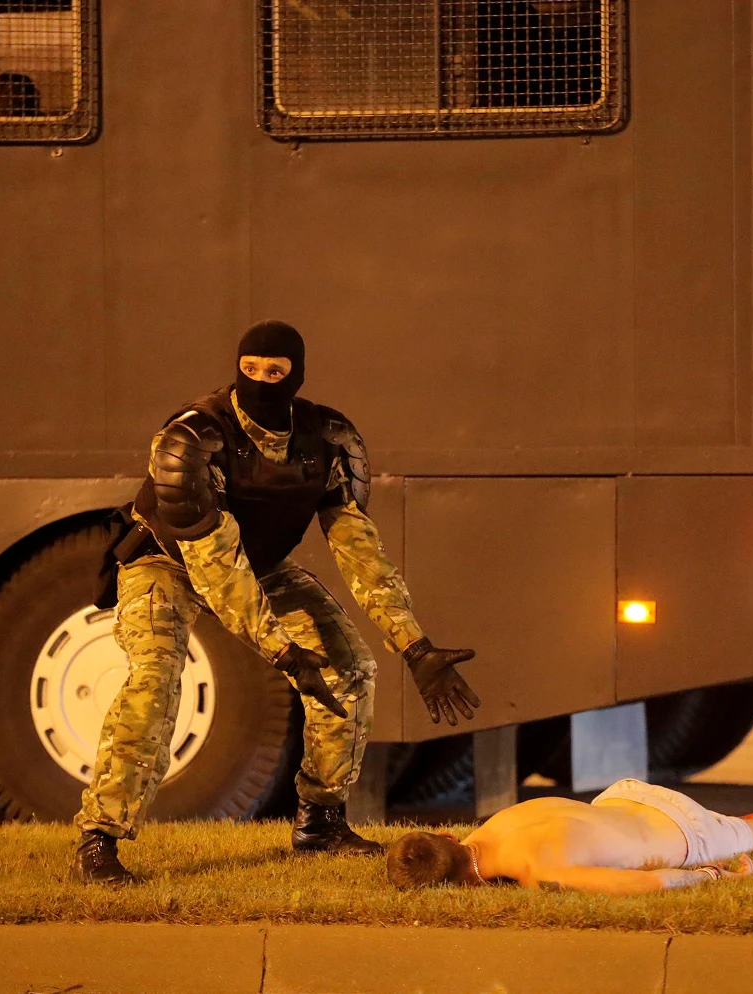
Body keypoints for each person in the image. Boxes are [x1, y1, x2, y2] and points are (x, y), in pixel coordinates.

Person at [74, 320, 481, 883]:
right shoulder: (192, 437)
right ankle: (100, 839)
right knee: (156, 676)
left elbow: (360, 550)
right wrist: (283, 652)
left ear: (297, 373)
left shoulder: (329, 439)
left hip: (260, 567)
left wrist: (415, 647)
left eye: (276, 370)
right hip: (164, 562)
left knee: (350, 667)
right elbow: (214, 565)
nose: (263, 380)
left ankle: (321, 822)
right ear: (236, 368)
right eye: (251, 370)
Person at [386, 780, 753, 893]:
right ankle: (744, 824)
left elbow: (652, 883)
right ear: (446, 833)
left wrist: (714, 877)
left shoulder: (539, 871)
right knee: (735, 828)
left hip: (682, 834)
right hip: (621, 796)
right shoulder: (489, 827)